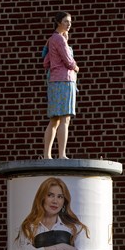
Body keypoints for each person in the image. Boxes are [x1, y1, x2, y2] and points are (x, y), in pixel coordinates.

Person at [43, 12, 79, 159]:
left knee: (54, 119)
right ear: (58, 22)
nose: (69, 24)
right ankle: (62, 154)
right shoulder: (60, 40)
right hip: (65, 80)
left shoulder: (52, 39)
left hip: (54, 81)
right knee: (65, 118)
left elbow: (46, 62)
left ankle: (47, 155)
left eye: (69, 22)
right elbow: (68, 61)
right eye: (66, 21)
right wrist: (76, 67)